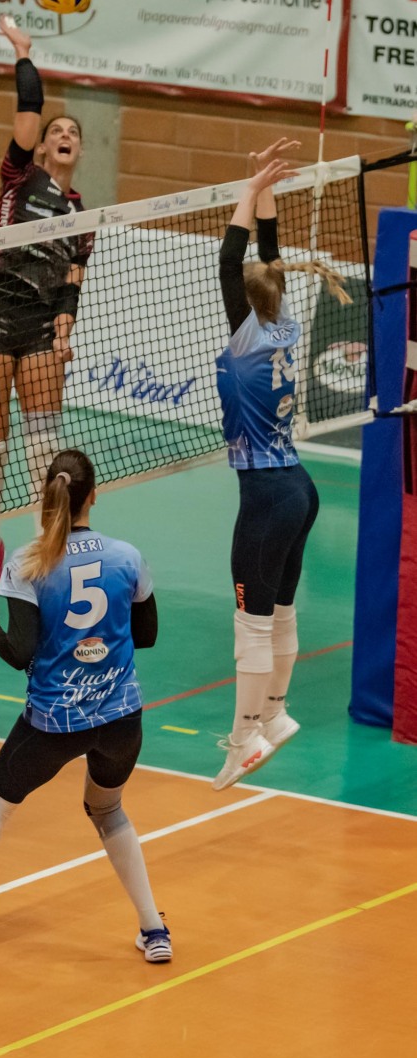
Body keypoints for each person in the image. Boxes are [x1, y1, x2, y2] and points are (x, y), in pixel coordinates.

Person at [0, 450, 171, 966]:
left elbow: (21, 652)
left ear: (46, 495)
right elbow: (147, 634)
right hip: (120, 718)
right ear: (93, 496)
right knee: (108, 810)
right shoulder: (128, 557)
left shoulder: (28, 562)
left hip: (54, 723)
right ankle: (154, 930)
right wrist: (96, 643)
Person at [212, 140, 352, 790]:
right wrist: (263, 182)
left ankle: (244, 739)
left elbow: (232, 260)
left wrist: (248, 192)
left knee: (252, 621)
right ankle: (275, 713)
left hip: (267, 497)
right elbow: (267, 258)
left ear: (244, 305)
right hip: (299, 486)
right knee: (282, 611)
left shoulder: (246, 339)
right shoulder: (284, 325)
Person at [0, 14, 94, 594]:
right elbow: (29, 108)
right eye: (55, 129)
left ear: (79, 149)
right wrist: (24, 53)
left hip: (42, 327)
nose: (64, 134)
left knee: (44, 443)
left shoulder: (82, 214)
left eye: (73, 132)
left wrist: (64, 333)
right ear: (42, 144)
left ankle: (48, 542)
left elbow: (71, 282)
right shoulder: (19, 176)